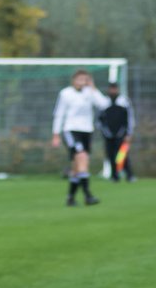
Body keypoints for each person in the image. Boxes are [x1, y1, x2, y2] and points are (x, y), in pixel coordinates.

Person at [51, 69, 111, 206]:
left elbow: (104, 104)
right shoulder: (65, 93)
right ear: (73, 80)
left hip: (87, 131)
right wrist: (56, 134)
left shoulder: (90, 93)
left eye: (85, 79)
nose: (82, 82)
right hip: (71, 130)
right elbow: (59, 113)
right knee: (82, 158)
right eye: (80, 79)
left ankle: (70, 198)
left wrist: (93, 88)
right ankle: (88, 195)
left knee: (78, 167)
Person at [97, 82, 136, 183]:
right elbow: (99, 119)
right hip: (108, 134)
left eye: (115, 89)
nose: (113, 91)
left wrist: (129, 133)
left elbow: (129, 118)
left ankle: (129, 174)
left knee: (122, 154)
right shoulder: (104, 102)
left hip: (121, 133)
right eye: (111, 89)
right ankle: (114, 176)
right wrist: (103, 131)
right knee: (110, 155)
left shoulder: (124, 101)